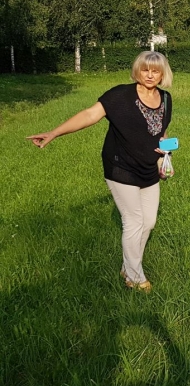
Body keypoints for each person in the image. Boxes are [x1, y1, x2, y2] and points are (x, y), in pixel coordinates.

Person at [26, 51, 175, 292]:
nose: (149, 75)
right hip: (121, 166)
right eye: (145, 69)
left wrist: (165, 156)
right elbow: (89, 115)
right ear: (137, 70)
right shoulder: (120, 95)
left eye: (155, 71)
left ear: (162, 74)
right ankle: (135, 277)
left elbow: (161, 131)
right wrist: (54, 133)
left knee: (149, 222)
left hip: (148, 167)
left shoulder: (165, 99)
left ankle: (128, 267)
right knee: (134, 221)